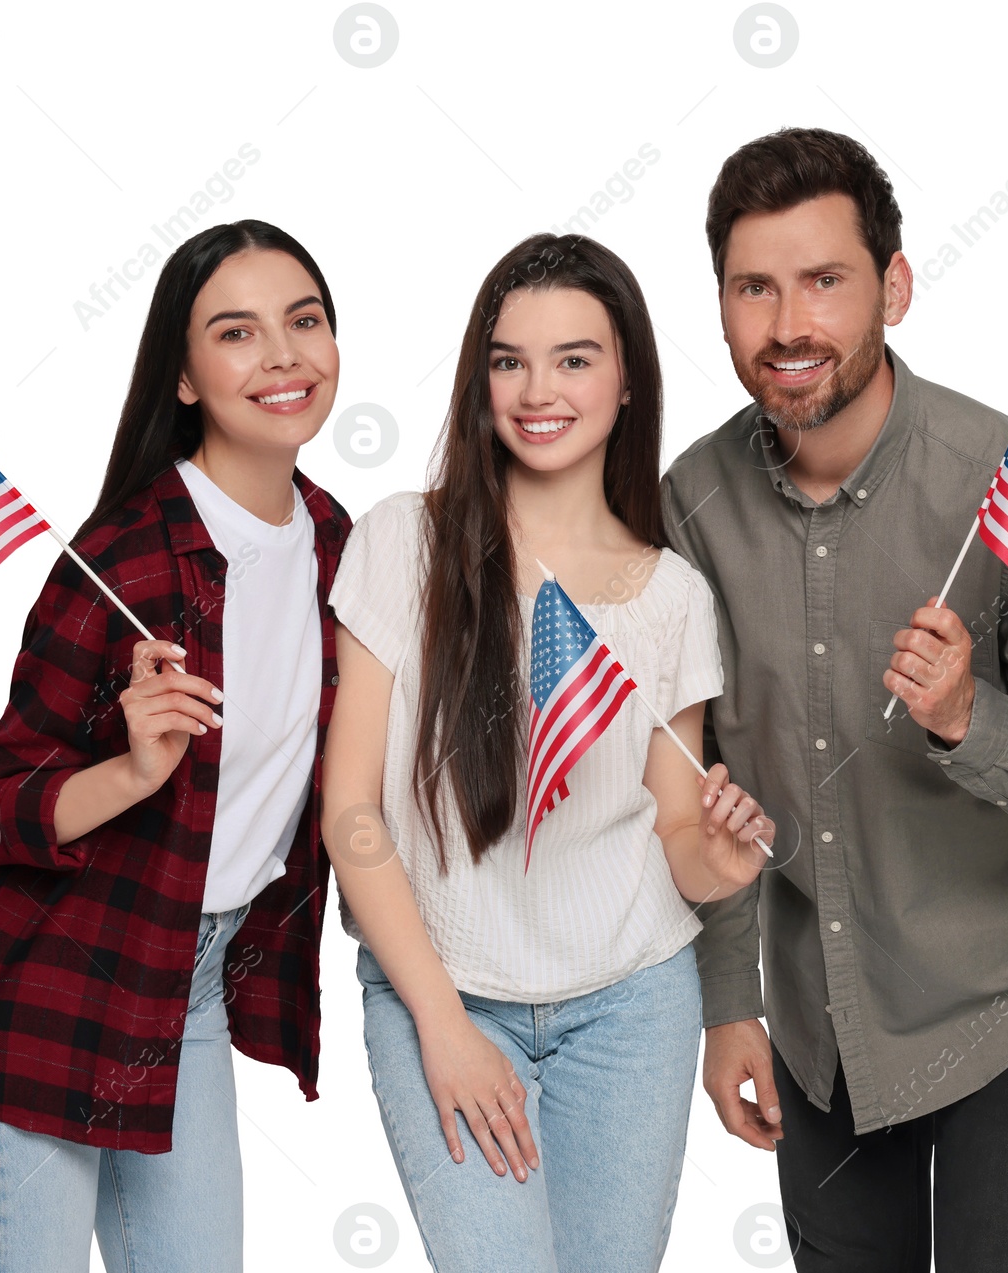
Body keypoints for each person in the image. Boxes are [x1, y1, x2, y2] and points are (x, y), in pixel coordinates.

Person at [661, 128, 1008, 1272]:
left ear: (894, 286)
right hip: (822, 1020)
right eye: (754, 288)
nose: (788, 325)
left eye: (825, 280)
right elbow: (703, 774)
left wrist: (969, 719)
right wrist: (730, 1000)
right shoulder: (690, 502)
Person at [321, 232, 775, 1272]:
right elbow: (351, 809)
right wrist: (441, 1022)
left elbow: (676, 831)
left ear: (625, 381)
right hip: (441, 986)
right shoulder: (402, 542)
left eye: (575, 358)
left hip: (630, 1001)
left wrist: (725, 858)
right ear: (480, 381)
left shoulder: (671, 597)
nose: (539, 388)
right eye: (508, 359)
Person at [0, 219, 351, 1272]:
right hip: (41, 993)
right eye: (237, 333)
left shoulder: (340, 543)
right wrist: (133, 770)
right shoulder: (127, 562)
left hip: (180, 992)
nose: (282, 355)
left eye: (304, 321)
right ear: (186, 377)